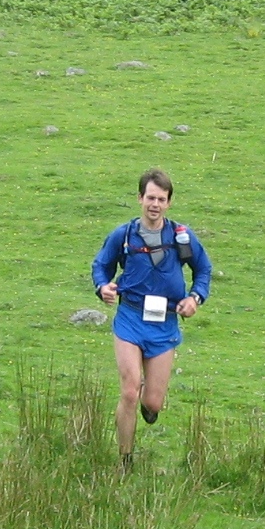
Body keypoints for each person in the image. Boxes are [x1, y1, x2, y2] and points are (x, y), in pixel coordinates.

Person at [91, 168, 211, 468]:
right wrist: (102, 287)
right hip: (130, 319)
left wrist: (194, 298)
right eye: (150, 198)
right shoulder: (124, 235)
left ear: (169, 203)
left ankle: (148, 404)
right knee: (130, 391)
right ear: (139, 198)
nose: (154, 204)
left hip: (164, 325)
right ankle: (125, 459)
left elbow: (204, 270)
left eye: (161, 199)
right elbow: (101, 265)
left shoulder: (182, 237)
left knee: (152, 402)